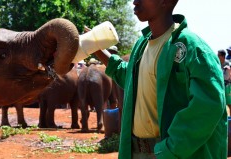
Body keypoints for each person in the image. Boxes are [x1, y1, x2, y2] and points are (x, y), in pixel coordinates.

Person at [93, 0, 227, 158]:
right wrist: (94, 46)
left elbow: (209, 106)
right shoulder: (141, 45)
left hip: (172, 154)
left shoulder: (193, 48)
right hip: (137, 152)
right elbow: (130, 78)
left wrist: (169, 149)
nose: (135, 1)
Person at [218, 49, 231, 115]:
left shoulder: (227, 64)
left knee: (229, 104)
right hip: (221, 85)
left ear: (223, 56)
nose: (217, 56)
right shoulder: (217, 64)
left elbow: (226, 77)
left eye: (219, 55)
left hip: (227, 86)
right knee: (221, 103)